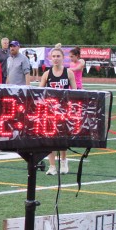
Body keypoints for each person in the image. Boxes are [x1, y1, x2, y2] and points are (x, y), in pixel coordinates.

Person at [40, 46, 78, 175]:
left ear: (63, 58)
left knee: (62, 138)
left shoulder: (69, 73)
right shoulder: (46, 74)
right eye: (54, 56)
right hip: (50, 110)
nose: (56, 59)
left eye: (58, 56)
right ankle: (52, 166)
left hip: (64, 110)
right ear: (50, 58)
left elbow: (75, 92)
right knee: (50, 139)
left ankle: (63, 161)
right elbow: (39, 92)